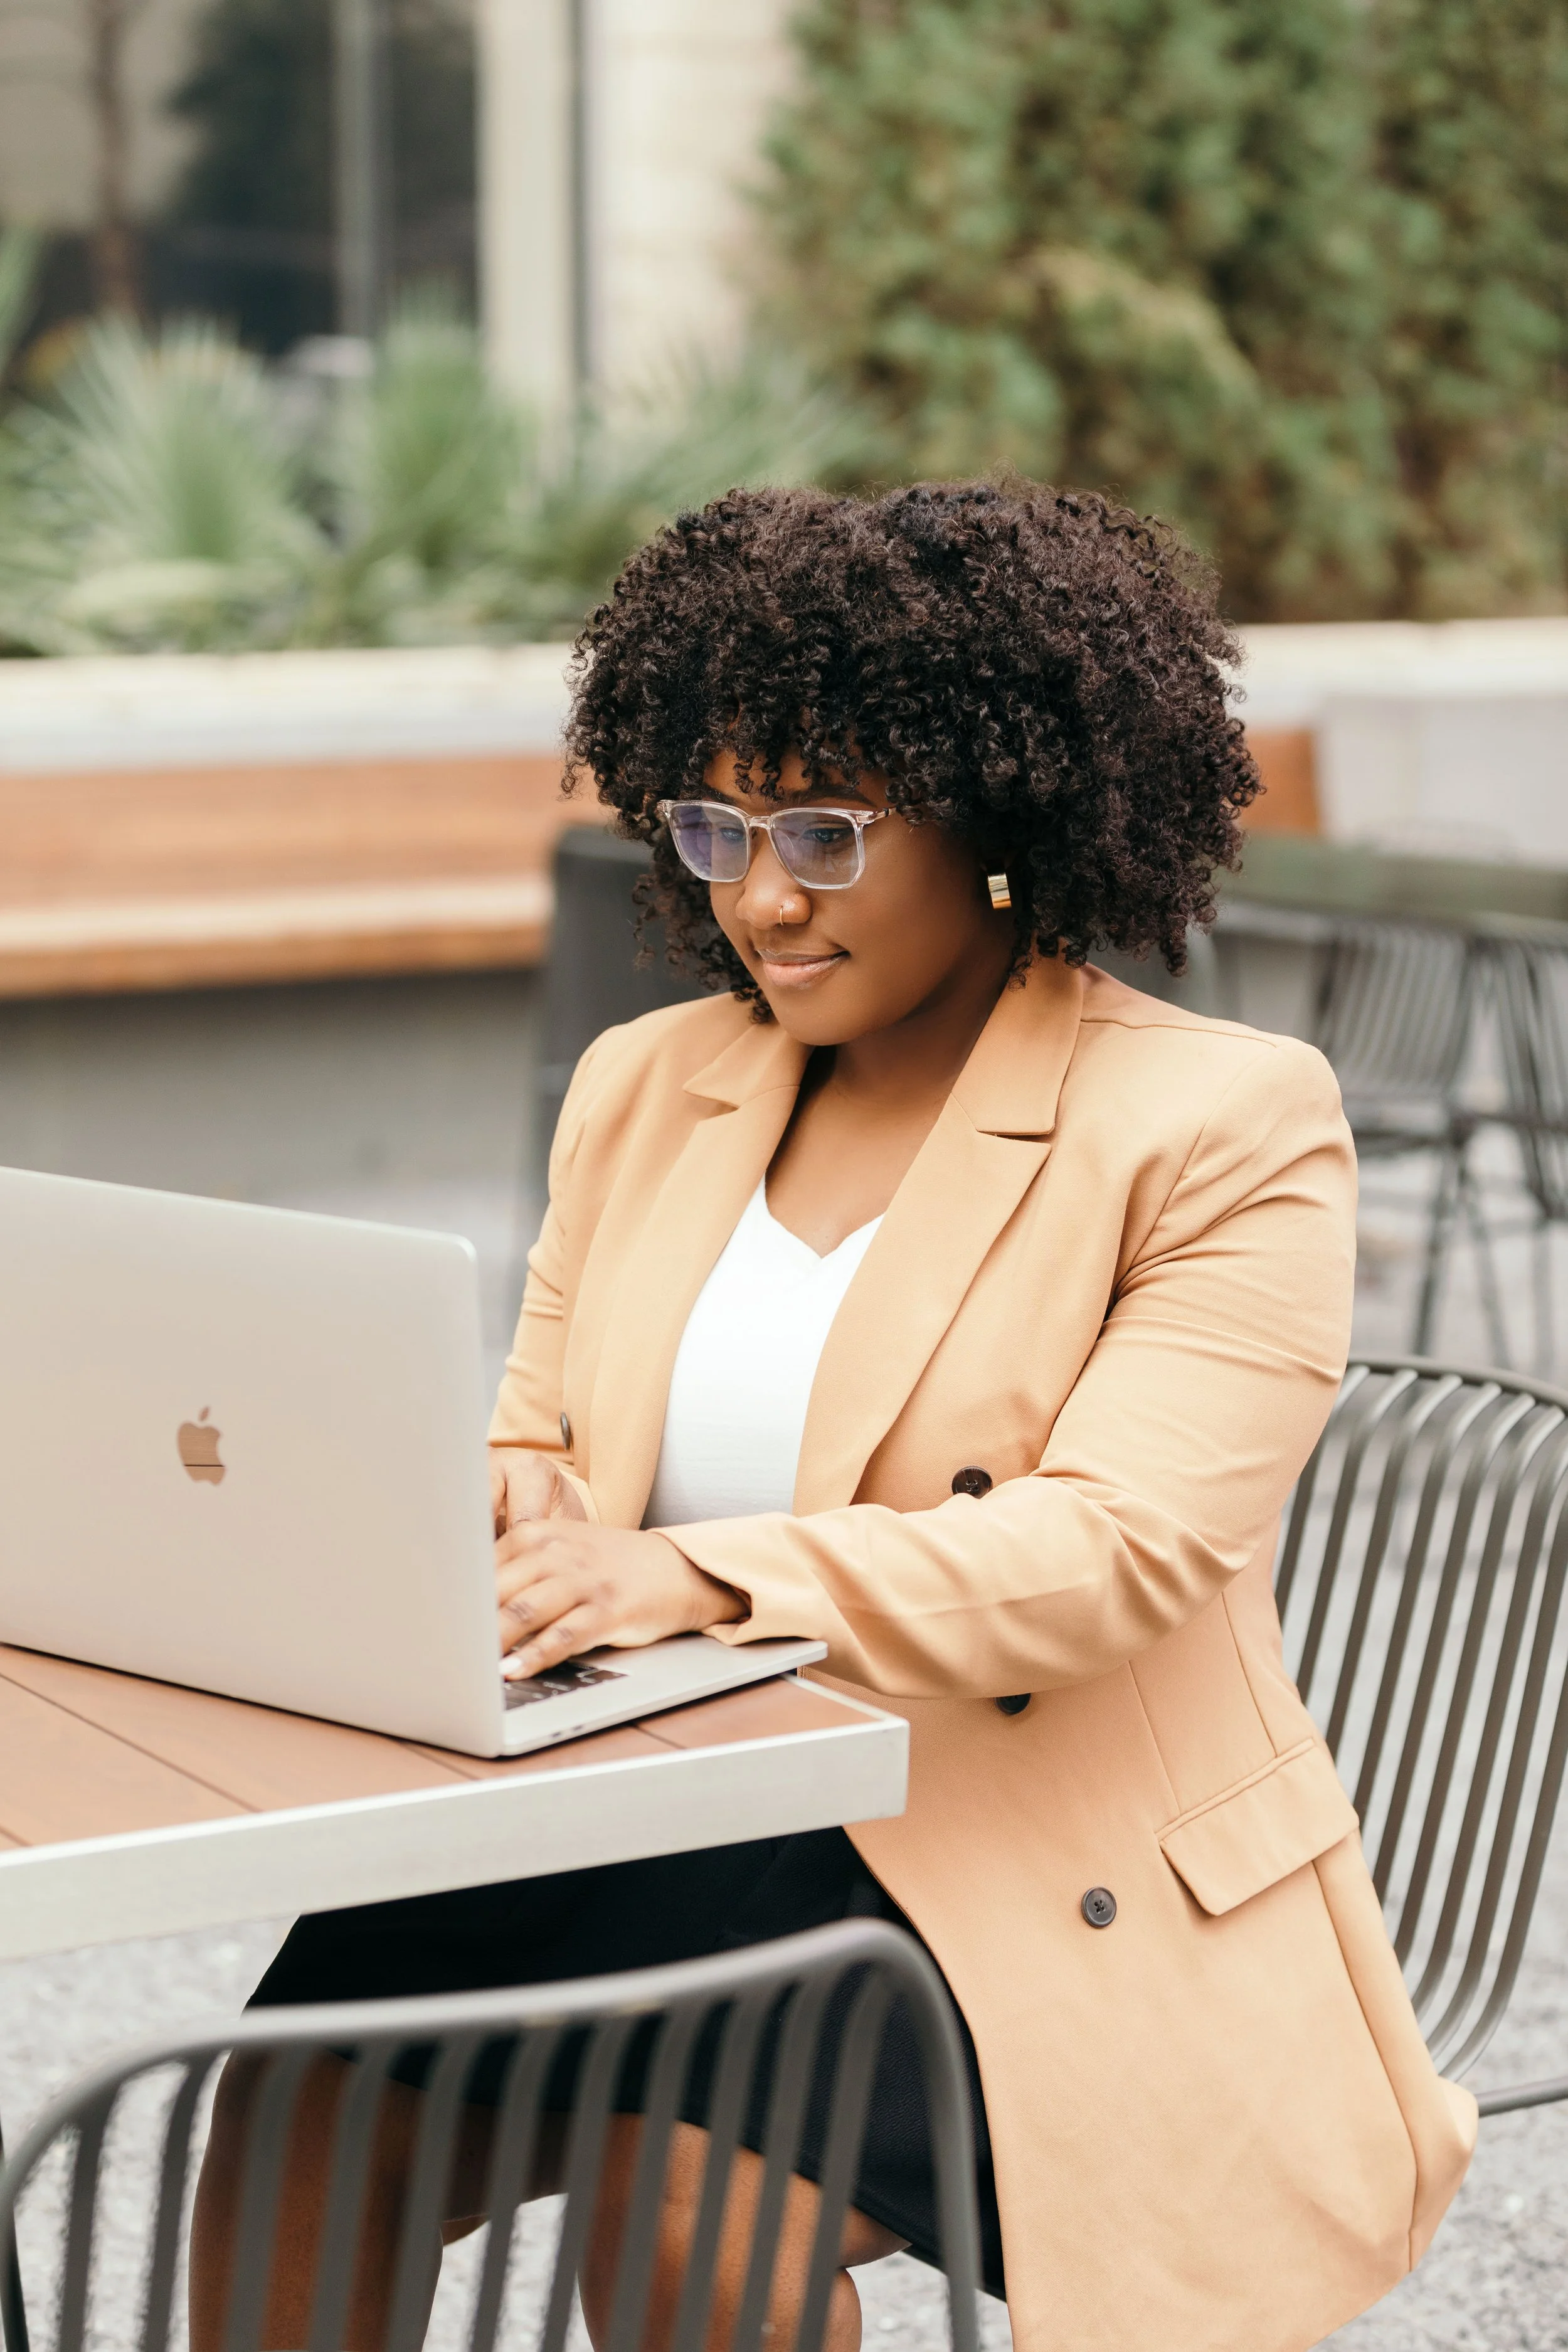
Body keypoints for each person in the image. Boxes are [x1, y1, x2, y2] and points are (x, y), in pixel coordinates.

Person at [191, 482, 1475, 2352]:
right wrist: (481, 1523)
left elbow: (1111, 1555)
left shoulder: (1218, 1122)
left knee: (685, 2208)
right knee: (293, 2106)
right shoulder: (651, 1083)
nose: (758, 894)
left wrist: (677, 1580)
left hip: (999, 1843)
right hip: (663, 1793)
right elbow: (538, 1440)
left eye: (822, 829)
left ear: (1001, 810)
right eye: (713, 823)